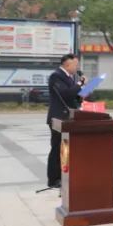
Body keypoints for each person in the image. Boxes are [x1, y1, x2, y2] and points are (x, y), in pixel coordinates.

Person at [46, 53, 85, 190]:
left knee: (66, 149)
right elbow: (66, 94)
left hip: (68, 118)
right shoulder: (56, 76)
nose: (77, 67)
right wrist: (80, 84)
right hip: (58, 118)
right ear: (67, 64)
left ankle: (63, 176)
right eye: (76, 64)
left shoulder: (70, 78)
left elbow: (73, 97)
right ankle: (53, 179)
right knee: (57, 149)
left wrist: (83, 92)